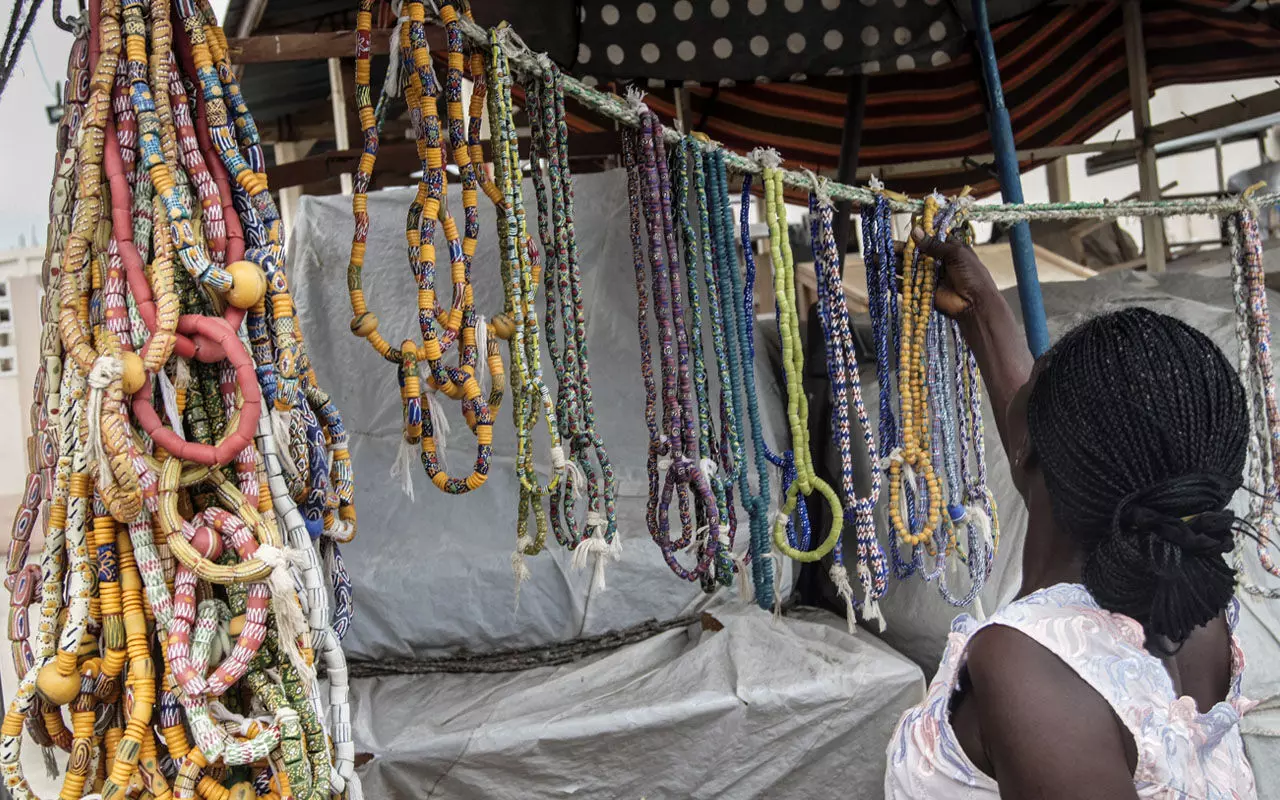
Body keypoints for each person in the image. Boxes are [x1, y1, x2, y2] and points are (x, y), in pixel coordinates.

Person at [884, 227, 1258, 799]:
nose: (1024, 380)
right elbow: (1057, 454)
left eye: (1036, 380)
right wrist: (982, 307)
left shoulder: (1029, 666)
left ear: (1033, 447)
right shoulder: (1192, 603)